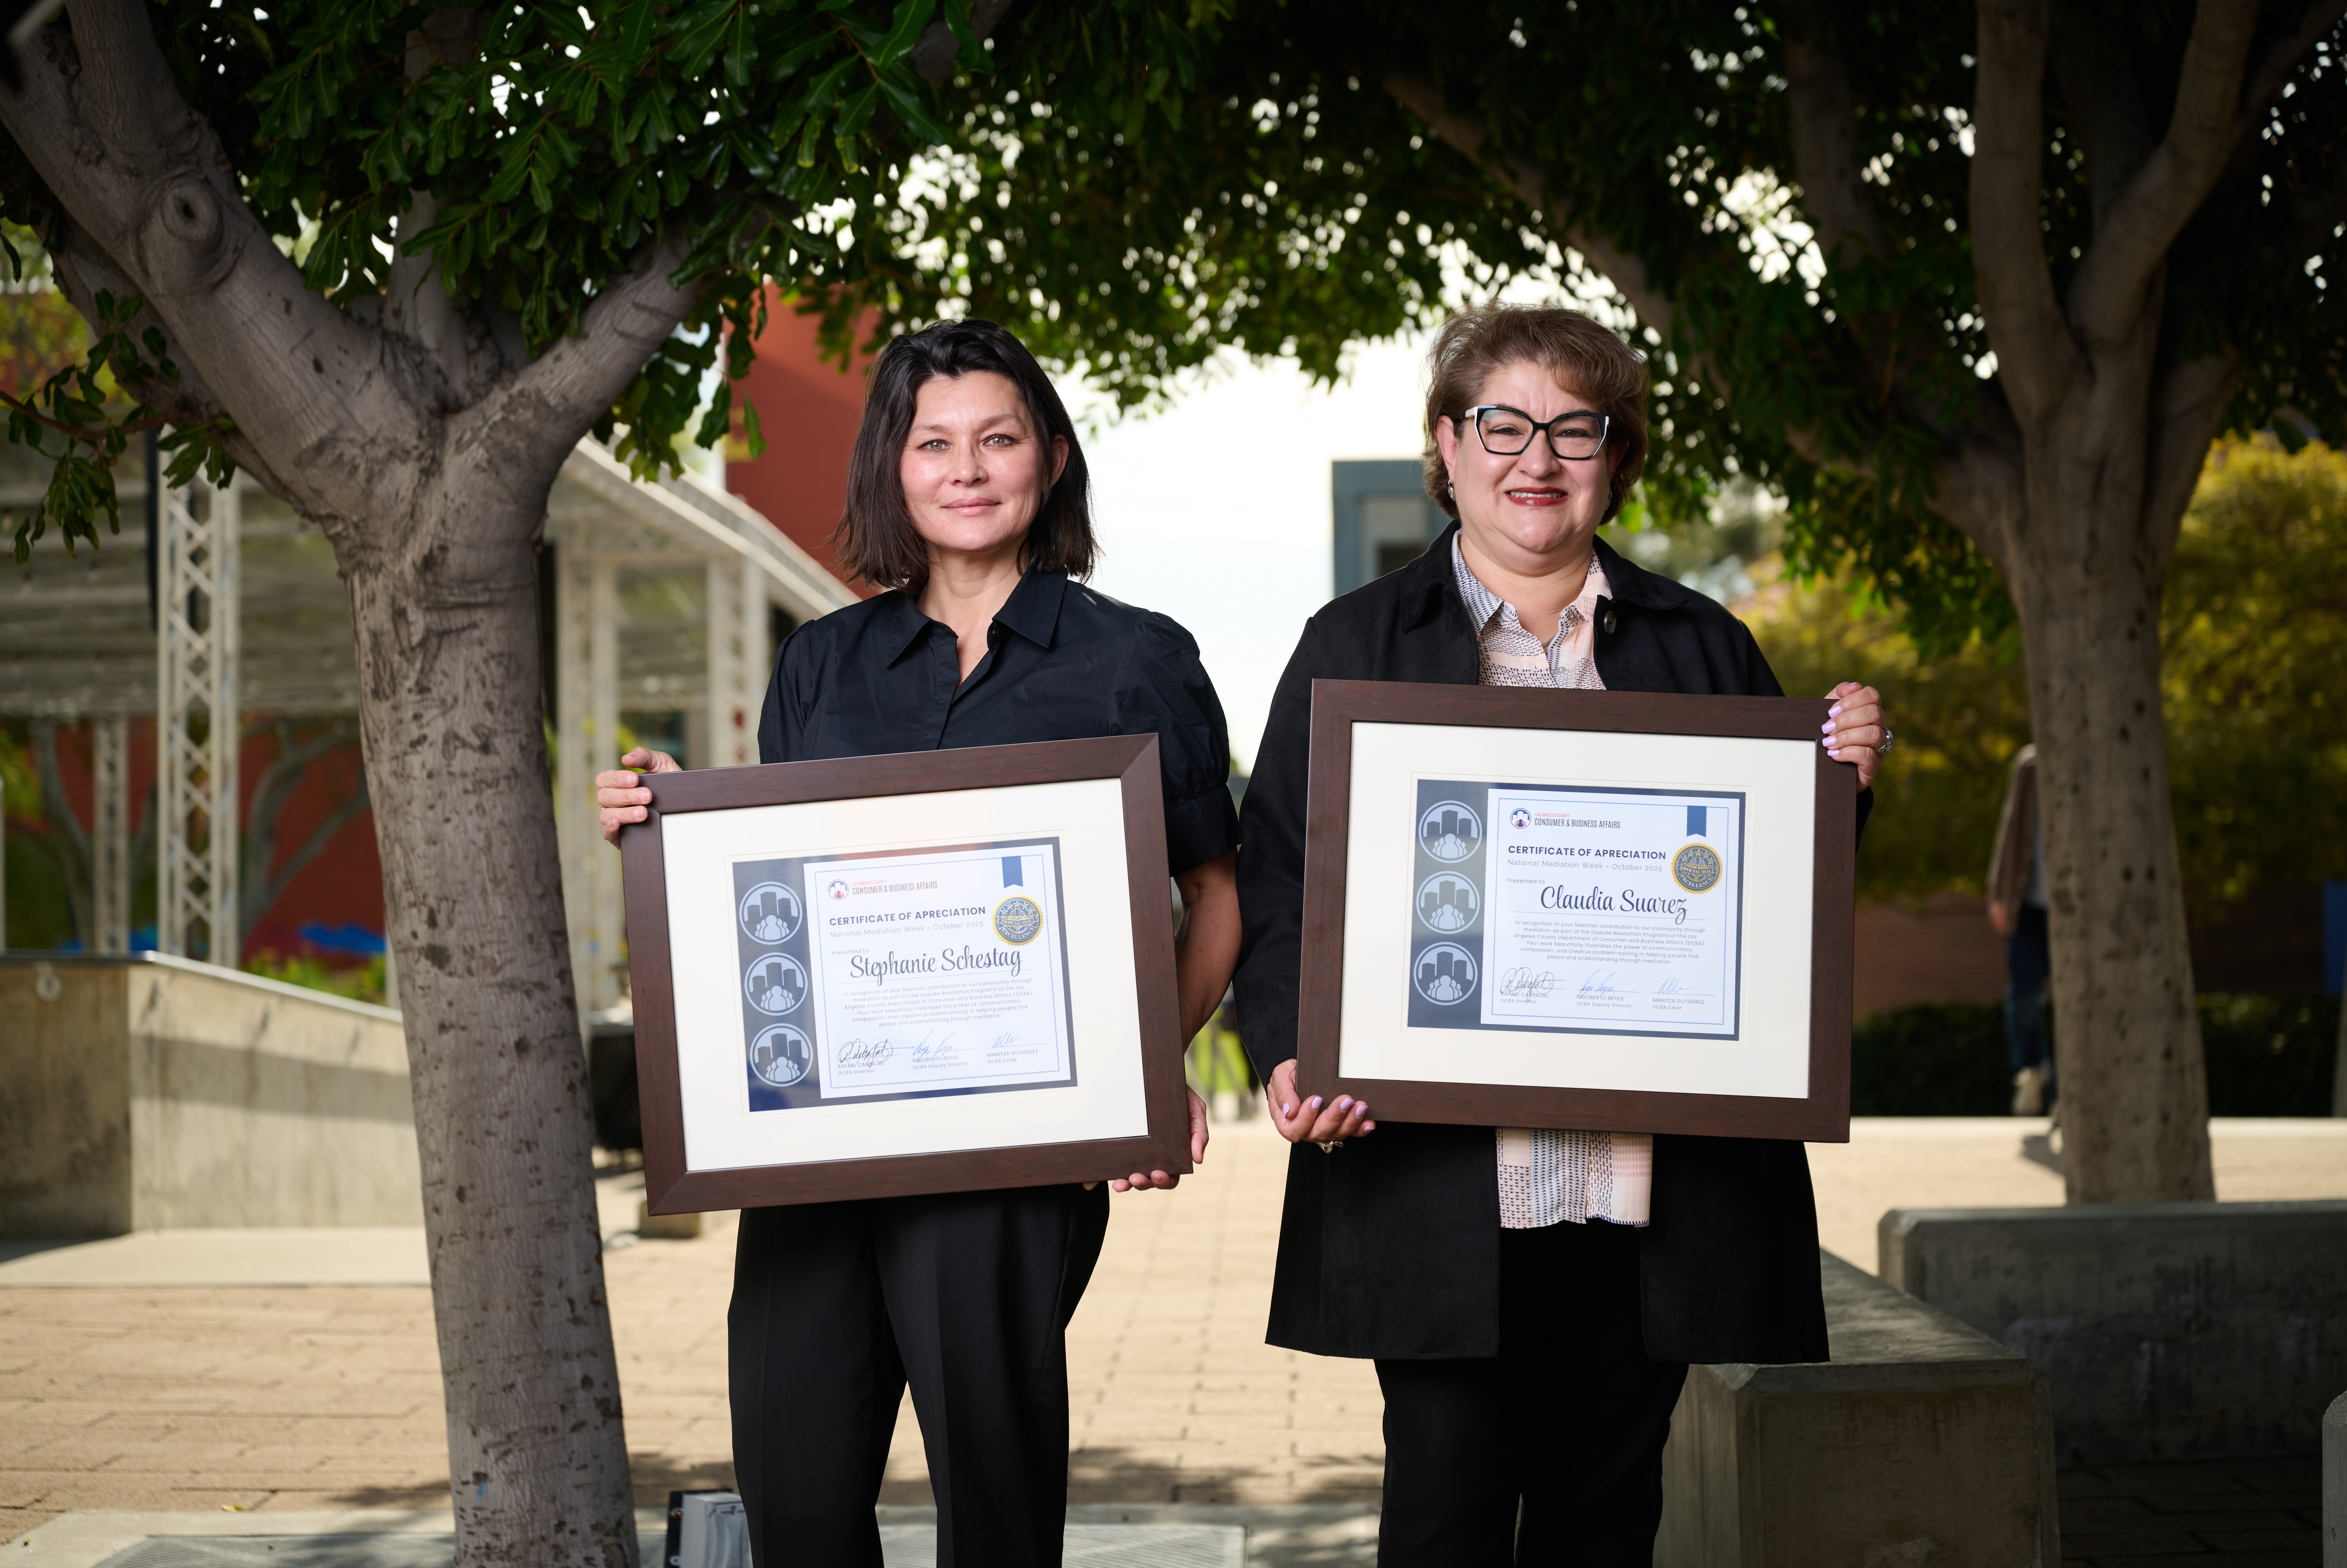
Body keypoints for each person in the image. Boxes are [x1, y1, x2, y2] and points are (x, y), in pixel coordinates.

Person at [1233, 305, 1891, 1568]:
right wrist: (1286, 1050)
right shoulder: (1353, 646)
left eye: (1574, 429)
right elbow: (1278, 875)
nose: (1537, 457)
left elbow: (1771, 914)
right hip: (1434, 1175)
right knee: (1444, 1507)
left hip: (1648, 1185)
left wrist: (1838, 792)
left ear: (1615, 454)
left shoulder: (1708, 647)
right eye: (1504, 424)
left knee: (1608, 1512)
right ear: (1448, 442)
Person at [595, 319, 1242, 1568]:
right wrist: (675, 817)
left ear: (1049, 458)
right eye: (933, 441)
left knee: (993, 1505)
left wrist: (1143, 1068)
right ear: (893, 466)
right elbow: (780, 888)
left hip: (1010, 1163)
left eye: (998, 437)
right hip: (817, 1155)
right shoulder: (823, 660)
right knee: (793, 1483)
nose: (967, 466)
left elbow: (1215, 892)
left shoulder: (1137, 658)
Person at [1986, 744, 2053, 1114]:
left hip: (2077, 912)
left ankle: (2065, 1095)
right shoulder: (2032, 764)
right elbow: (2011, 826)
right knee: (2024, 996)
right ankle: (2032, 1069)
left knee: (2073, 1004)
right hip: (2029, 905)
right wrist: (1999, 892)